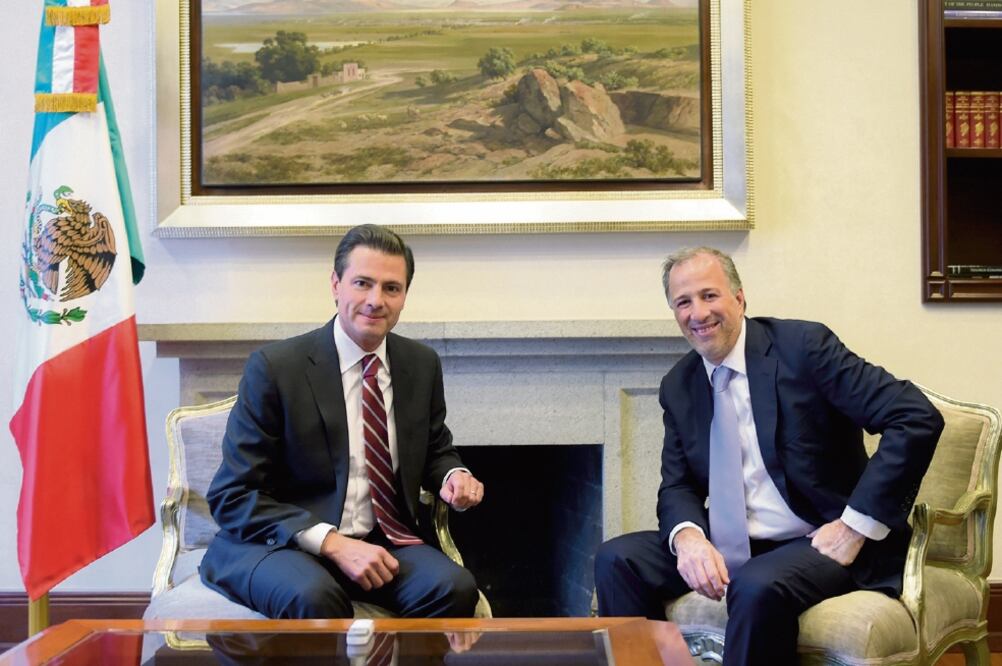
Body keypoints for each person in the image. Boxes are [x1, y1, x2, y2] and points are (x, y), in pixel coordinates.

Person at [594, 247, 944, 663]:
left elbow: (915, 416)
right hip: (732, 543)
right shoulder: (680, 384)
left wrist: (855, 525)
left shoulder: (804, 349)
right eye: (683, 302)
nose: (698, 313)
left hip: (815, 537)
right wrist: (688, 538)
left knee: (756, 585)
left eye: (710, 296)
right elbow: (679, 483)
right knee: (617, 559)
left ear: (740, 298)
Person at [200, 224, 484, 619]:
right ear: (335, 284)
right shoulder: (276, 368)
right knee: (314, 599)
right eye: (362, 283)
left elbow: (435, 447)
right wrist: (331, 543)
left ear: (404, 296)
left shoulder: (420, 365)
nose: (375, 300)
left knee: (454, 588)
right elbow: (233, 496)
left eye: (391, 288)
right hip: (281, 543)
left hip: (384, 539)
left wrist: (453, 474)